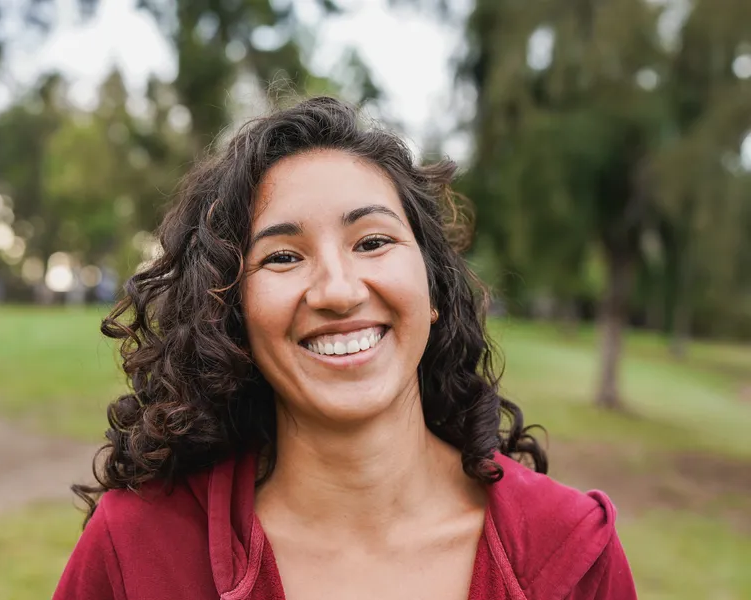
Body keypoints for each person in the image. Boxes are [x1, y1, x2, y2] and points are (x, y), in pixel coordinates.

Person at [54, 96, 636, 600]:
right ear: (231, 317)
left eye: (373, 241)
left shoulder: (574, 553)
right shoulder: (137, 552)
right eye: (282, 256)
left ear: (432, 287)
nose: (337, 290)